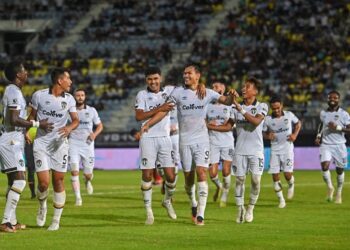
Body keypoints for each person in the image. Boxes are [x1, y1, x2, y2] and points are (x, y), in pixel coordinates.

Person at [142, 64, 236, 226]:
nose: (185, 76)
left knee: (202, 172)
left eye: (189, 73)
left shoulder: (206, 92)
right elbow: (164, 111)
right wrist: (148, 124)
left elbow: (226, 101)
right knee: (188, 179)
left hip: (202, 139)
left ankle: (200, 214)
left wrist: (232, 96)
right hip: (184, 140)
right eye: (184, 73)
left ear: (197, 75)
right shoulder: (177, 93)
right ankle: (193, 201)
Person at [0, 61, 52, 232]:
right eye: (24, 70)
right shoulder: (13, 90)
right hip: (10, 141)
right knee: (21, 180)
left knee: (12, 180)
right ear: (18, 74)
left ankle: (12, 221)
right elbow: (14, 119)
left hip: (13, 138)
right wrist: (37, 124)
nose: (27, 73)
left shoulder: (15, 91)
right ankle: (5, 222)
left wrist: (24, 133)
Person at [28, 67, 79, 231]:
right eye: (68, 79)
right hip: (41, 143)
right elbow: (31, 117)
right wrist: (27, 131)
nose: (70, 82)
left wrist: (70, 128)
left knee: (58, 180)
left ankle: (56, 221)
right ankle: (42, 205)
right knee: (43, 183)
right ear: (60, 80)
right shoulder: (39, 95)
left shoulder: (70, 99)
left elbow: (76, 120)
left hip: (60, 145)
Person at [134, 66, 177, 225]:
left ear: (160, 78)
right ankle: (149, 212)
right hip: (147, 138)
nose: (153, 82)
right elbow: (139, 116)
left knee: (171, 177)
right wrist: (160, 107)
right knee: (147, 176)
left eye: (155, 78)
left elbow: (187, 89)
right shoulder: (142, 95)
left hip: (165, 138)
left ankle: (167, 201)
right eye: (150, 79)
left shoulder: (169, 92)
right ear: (146, 80)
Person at [230, 77, 268, 224]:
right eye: (243, 87)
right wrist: (209, 126)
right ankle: (240, 209)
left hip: (256, 151)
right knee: (239, 180)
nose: (244, 89)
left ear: (256, 91)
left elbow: (256, 122)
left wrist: (240, 108)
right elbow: (228, 126)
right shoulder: (234, 107)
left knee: (256, 180)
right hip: (239, 150)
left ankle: (250, 208)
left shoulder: (262, 106)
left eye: (248, 87)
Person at [263, 95, 301, 208]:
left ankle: (291, 184)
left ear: (282, 106)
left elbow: (298, 123)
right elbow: (263, 133)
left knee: (287, 174)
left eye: (278, 108)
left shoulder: (289, 115)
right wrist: (267, 135)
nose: (276, 110)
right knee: (275, 176)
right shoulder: (268, 120)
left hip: (287, 149)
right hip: (274, 149)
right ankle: (281, 200)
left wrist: (295, 134)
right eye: (273, 108)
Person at [69, 89, 103, 206]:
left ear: (85, 97)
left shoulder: (92, 110)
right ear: (74, 97)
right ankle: (78, 198)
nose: (80, 97)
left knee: (88, 174)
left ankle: (87, 181)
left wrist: (94, 134)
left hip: (87, 145)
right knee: (74, 170)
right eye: (77, 95)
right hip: (73, 143)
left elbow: (99, 126)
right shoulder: (69, 111)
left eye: (82, 95)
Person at [315, 90, 350, 204]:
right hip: (326, 144)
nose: (332, 100)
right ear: (327, 99)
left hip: (339, 145)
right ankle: (330, 187)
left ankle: (339, 192)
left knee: (340, 170)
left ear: (339, 99)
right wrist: (319, 136)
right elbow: (321, 125)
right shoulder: (323, 113)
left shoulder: (344, 114)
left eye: (335, 98)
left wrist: (338, 128)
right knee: (324, 166)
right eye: (330, 98)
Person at [206, 81, 235, 207]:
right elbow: (202, 123)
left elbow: (229, 127)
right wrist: (208, 125)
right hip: (212, 142)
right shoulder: (207, 106)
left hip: (227, 142)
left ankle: (224, 195)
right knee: (212, 174)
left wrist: (210, 126)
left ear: (223, 89)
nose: (214, 88)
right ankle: (220, 186)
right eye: (212, 87)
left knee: (226, 171)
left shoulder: (231, 106)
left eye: (216, 86)